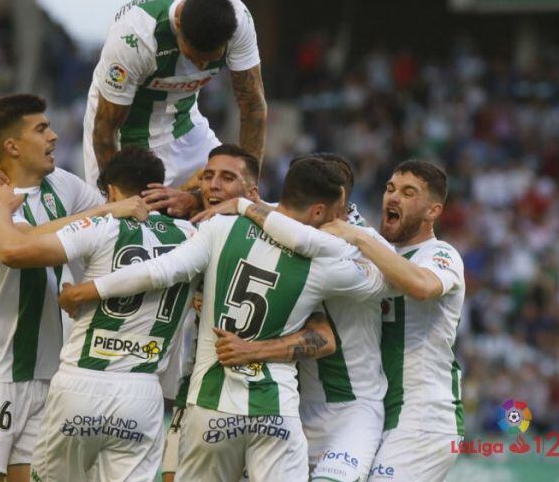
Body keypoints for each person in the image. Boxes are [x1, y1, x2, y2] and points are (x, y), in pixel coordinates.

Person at [59, 158, 390, 482]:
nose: (342, 219)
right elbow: (385, 281)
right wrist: (357, 239)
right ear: (319, 210)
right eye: (339, 211)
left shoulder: (220, 226)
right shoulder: (326, 260)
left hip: (208, 408)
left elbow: (160, 271)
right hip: (275, 411)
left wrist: (88, 290)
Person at [0, 94, 142, 482]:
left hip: (46, 374)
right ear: (12, 146)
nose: (53, 136)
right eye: (41, 129)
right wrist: (100, 213)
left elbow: (114, 214)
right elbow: (26, 243)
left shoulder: (62, 186)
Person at [0, 147, 194, 482]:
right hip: (143, 392)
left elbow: (13, 250)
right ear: (158, 187)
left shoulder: (102, 226)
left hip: (82, 382)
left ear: (111, 192)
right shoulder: (193, 237)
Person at [196, 154, 396, 481]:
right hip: (291, 406)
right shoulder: (283, 216)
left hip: (351, 409)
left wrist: (254, 349)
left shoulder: (361, 241)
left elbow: (408, 284)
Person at [156, 146, 335, 482]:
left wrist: (253, 350)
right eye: (207, 177)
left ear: (252, 194)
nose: (213, 186)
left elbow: (323, 337)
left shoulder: (281, 245)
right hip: (194, 388)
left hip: (261, 398)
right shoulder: (190, 232)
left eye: (227, 178)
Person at [303, 160, 466, 482]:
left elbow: (422, 286)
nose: (393, 198)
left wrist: (361, 238)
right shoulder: (379, 254)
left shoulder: (439, 253)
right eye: (390, 189)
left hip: (424, 415)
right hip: (378, 411)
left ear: (433, 211)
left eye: (408, 193)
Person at [84, 0, 266, 195]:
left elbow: (253, 107)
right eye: (194, 58)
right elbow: (105, 131)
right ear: (178, 23)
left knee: (231, 196)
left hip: (185, 125)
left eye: (212, 60)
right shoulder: (134, 37)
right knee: (126, 221)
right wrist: (114, 197)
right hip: (127, 137)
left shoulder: (239, 21)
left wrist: (250, 188)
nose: (202, 67)